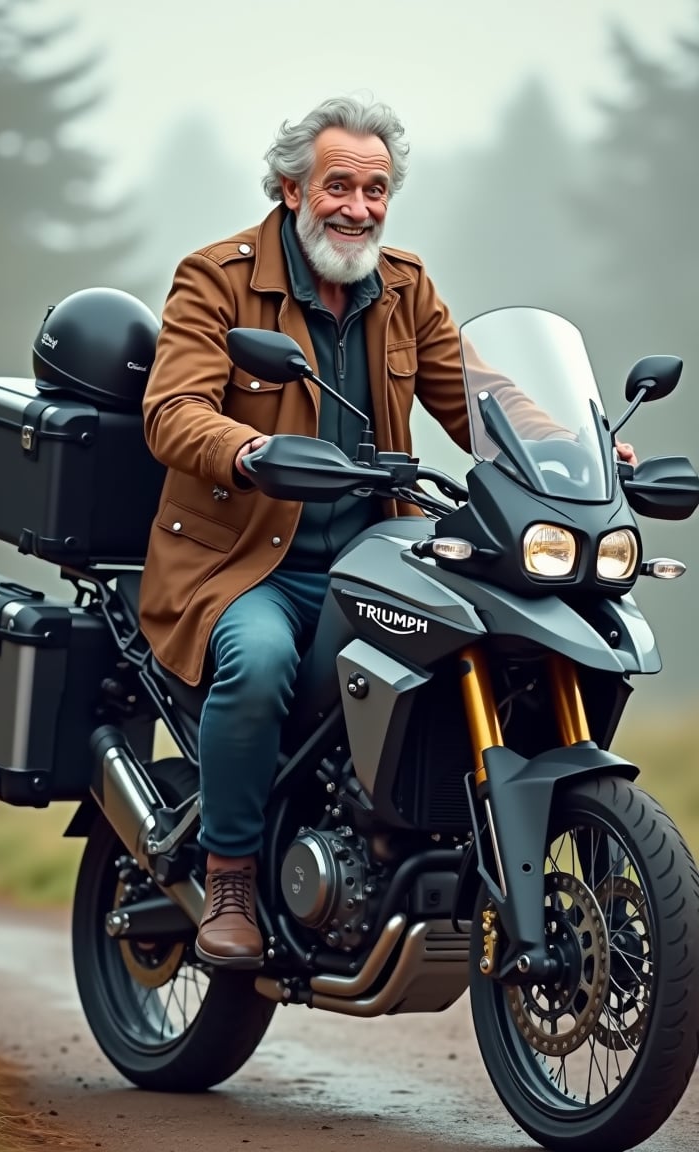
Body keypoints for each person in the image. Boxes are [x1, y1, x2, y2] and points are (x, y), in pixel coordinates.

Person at [139, 95, 636, 969]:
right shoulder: (217, 277)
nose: (358, 207)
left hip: (378, 551)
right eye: (338, 186)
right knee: (257, 666)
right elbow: (172, 411)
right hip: (248, 563)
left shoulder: (401, 286)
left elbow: (481, 399)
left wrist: (576, 447)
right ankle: (230, 878)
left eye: (375, 190)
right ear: (292, 189)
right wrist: (250, 448)